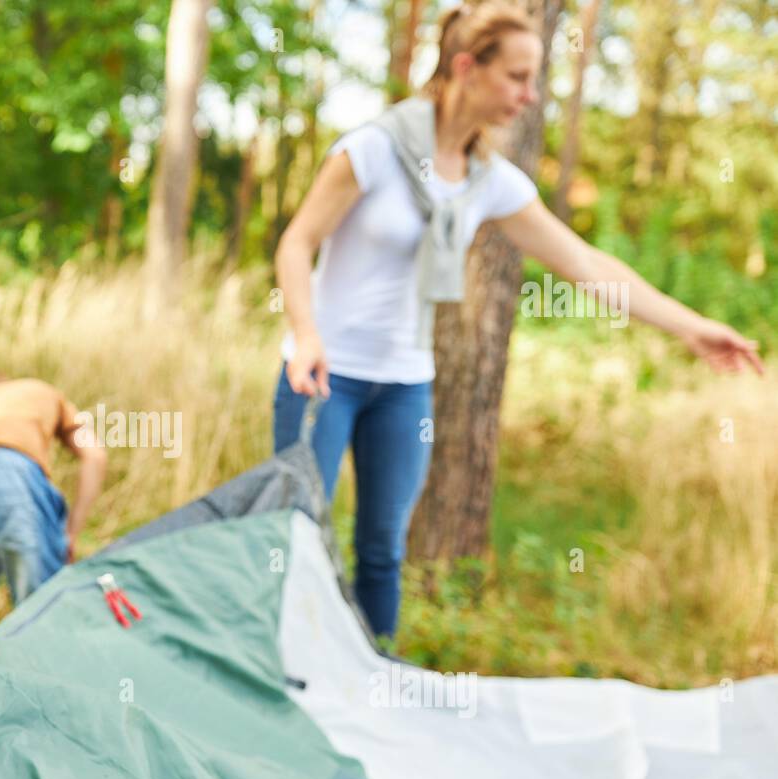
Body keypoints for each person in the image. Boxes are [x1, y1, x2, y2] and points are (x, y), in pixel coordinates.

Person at [273, 0, 764, 641]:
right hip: (323, 374)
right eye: (518, 77)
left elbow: (586, 265)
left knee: (383, 553)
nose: (531, 96)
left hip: (405, 385)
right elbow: (295, 242)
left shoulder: (488, 181)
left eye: (536, 80)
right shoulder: (373, 151)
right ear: (467, 67)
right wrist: (306, 333)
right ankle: (280, 681)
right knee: (296, 537)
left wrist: (691, 326)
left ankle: (373, 694)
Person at [0, 371, 107, 639]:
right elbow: (94, 454)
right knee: (41, 602)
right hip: (10, 475)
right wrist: (71, 532)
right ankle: (41, 677)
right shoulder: (41, 391)